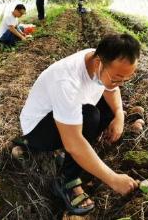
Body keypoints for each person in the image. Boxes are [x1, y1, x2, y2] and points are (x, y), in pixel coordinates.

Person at [15, 33, 141, 215]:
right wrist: (113, 179)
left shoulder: (98, 59)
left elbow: (111, 89)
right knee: (90, 116)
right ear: (99, 63)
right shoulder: (67, 81)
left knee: (107, 109)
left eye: (125, 79)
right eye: (117, 78)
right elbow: (73, 142)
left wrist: (119, 114)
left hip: (61, 117)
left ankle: (82, 157)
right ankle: (67, 180)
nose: (119, 84)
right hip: (37, 129)